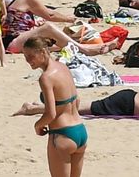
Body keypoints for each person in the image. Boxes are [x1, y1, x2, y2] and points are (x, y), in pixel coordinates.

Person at [22, 36, 87, 177]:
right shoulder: (63, 67)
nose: (28, 61)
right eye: (25, 56)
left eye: (31, 56)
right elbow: (77, 100)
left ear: (43, 52)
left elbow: (51, 114)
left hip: (63, 134)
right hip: (80, 131)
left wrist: (38, 125)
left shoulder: (46, 78)